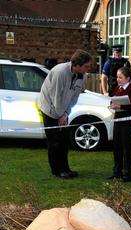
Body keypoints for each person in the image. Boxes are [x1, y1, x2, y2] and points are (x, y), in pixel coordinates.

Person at [39, 49, 92, 179]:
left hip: (63, 111)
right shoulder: (60, 72)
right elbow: (56, 97)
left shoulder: (82, 75)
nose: (88, 69)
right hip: (50, 109)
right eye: (86, 66)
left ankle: (65, 169)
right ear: (77, 64)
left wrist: (66, 113)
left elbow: (74, 96)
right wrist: (60, 115)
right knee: (54, 142)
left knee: (64, 140)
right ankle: (56, 171)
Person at [108, 66, 131, 182]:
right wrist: (112, 104)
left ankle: (128, 173)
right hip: (118, 119)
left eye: (120, 77)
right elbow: (113, 99)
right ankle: (117, 171)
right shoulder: (118, 88)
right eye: (117, 77)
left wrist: (121, 106)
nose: (118, 79)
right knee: (116, 146)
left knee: (126, 147)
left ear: (128, 78)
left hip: (127, 121)